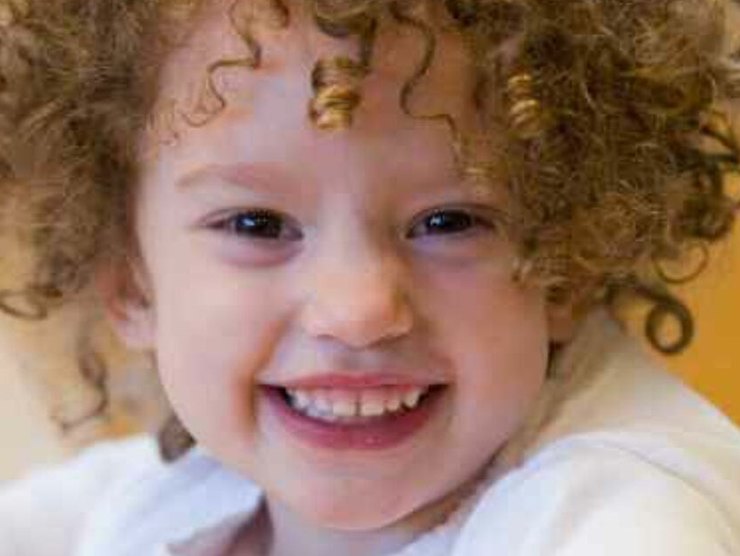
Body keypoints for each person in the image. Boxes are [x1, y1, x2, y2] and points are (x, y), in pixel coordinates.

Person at [0, 0, 739, 554]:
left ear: (566, 268)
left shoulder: (625, 518)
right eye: (258, 225)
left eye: (448, 222)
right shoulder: (202, 478)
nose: (358, 311)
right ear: (132, 283)